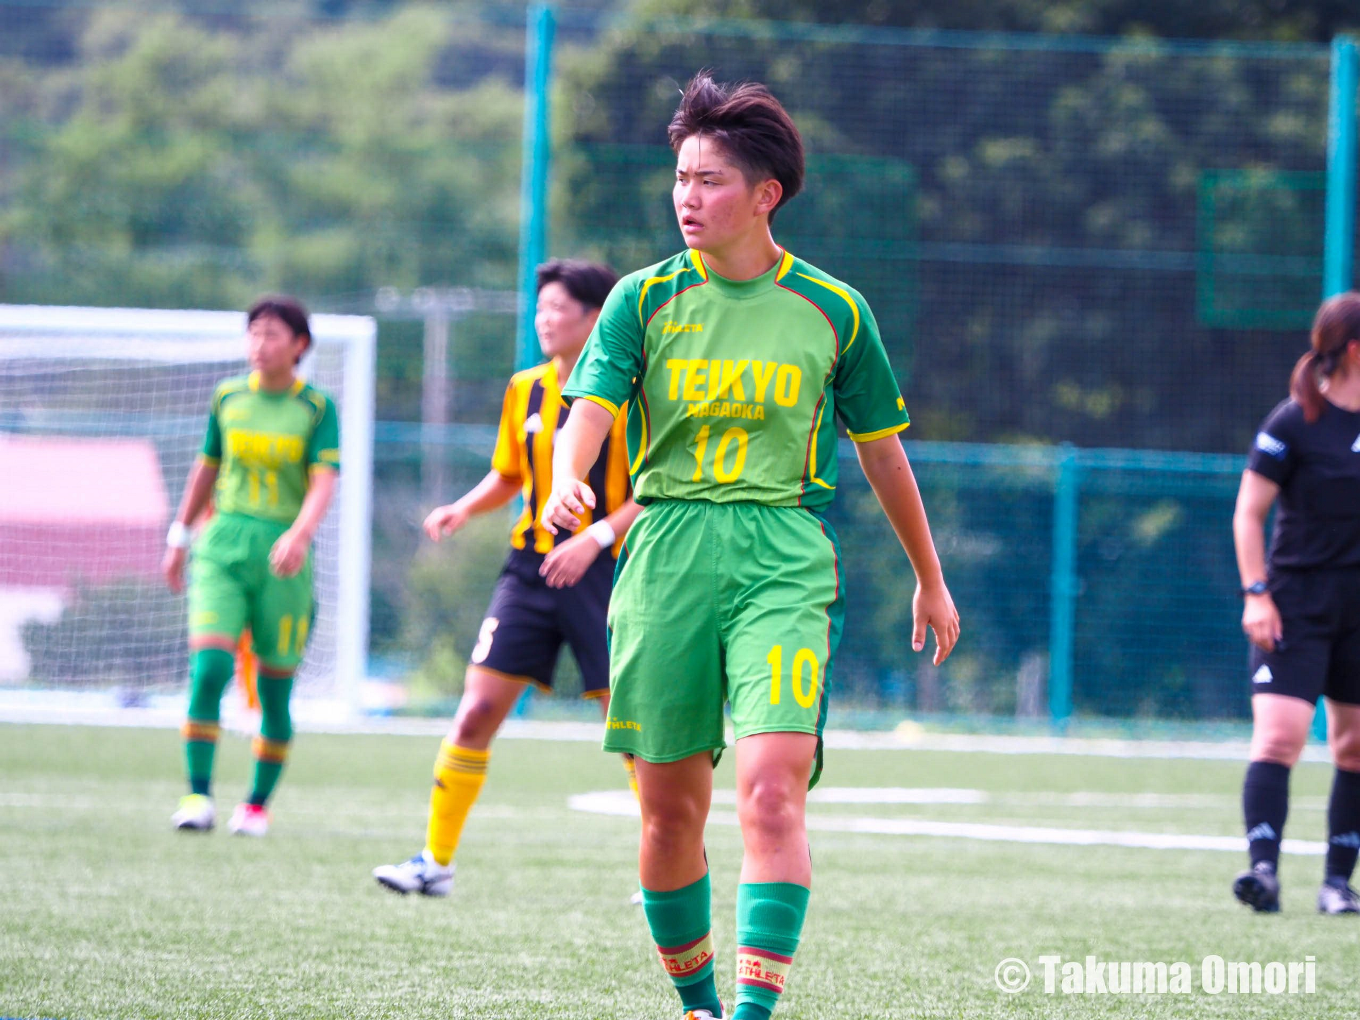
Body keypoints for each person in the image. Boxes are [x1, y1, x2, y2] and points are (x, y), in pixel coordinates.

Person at [542, 74, 959, 1020]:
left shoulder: (835, 311)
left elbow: (884, 454)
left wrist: (929, 579)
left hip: (783, 557)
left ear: (766, 194)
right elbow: (591, 408)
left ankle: (751, 1014)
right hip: (665, 552)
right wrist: (574, 472)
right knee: (668, 817)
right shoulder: (642, 301)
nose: (688, 197)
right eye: (681, 177)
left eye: (712, 179)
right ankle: (696, 1003)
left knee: (771, 795)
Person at [372, 259, 641, 897]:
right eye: (540, 307)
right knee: (474, 714)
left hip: (608, 569)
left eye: (559, 308)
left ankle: (667, 870)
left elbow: (655, 492)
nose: (545, 319)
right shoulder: (525, 388)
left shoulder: (633, 392)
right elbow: (510, 475)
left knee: (630, 725)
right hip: (528, 570)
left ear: (596, 317)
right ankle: (434, 862)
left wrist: (595, 538)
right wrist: (463, 507)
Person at [162, 295, 339, 837]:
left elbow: (324, 480)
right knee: (210, 669)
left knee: (274, 689)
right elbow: (206, 467)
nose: (260, 345)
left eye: (272, 335)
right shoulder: (227, 397)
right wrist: (179, 534)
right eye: (254, 333)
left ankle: (256, 805)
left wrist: (300, 535)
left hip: (282, 554)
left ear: (299, 345)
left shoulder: (316, 407)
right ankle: (197, 796)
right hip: (222, 544)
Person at [1232, 291, 1360, 916]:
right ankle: (1263, 872)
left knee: (1355, 746)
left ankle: (1338, 884)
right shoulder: (1293, 421)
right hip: (1295, 605)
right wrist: (1257, 594)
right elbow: (1248, 514)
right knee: (1279, 738)